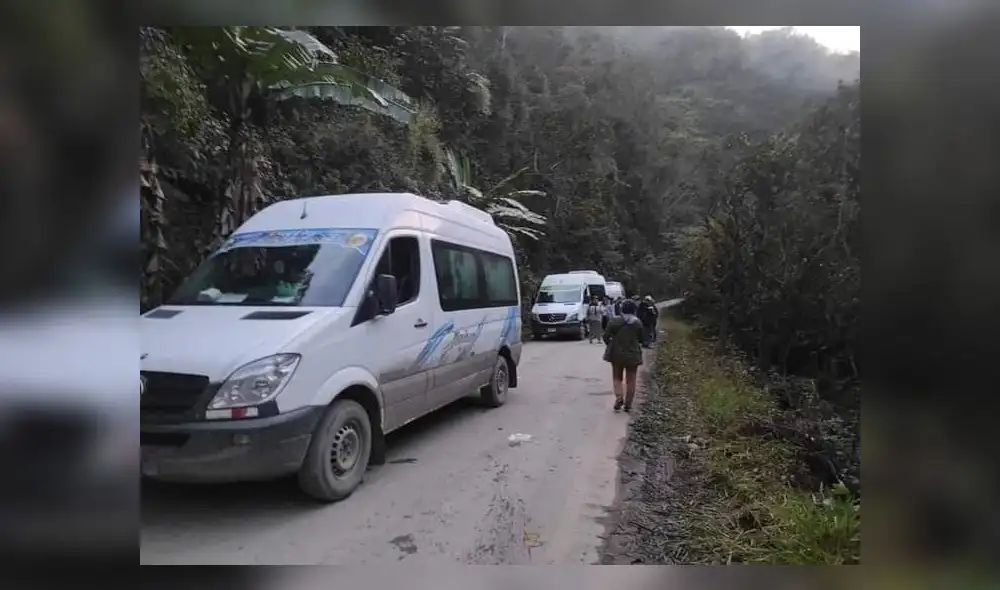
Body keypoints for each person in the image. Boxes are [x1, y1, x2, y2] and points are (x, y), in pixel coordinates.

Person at [603, 299, 645, 412]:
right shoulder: (637, 322)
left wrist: (610, 344)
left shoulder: (614, 321)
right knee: (631, 379)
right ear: (634, 310)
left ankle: (619, 397)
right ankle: (628, 404)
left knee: (617, 377)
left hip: (616, 353)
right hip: (633, 354)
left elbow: (605, 336)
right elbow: (642, 339)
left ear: (622, 309)